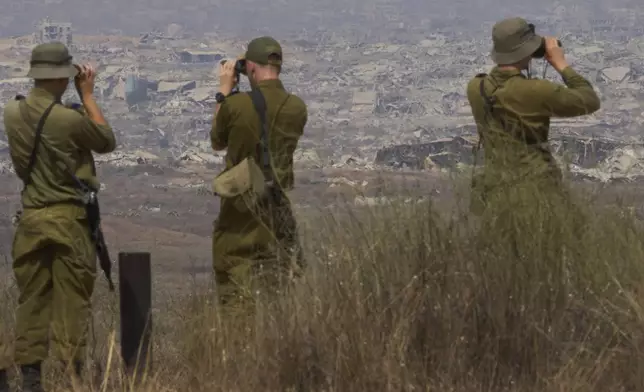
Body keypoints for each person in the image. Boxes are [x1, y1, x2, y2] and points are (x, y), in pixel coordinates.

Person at [0, 42, 115, 392]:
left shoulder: (11, 112)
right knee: (72, 302)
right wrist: (89, 95)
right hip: (68, 220)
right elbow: (106, 140)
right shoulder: (68, 119)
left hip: (31, 218)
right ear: (63, 77)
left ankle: (30, 379)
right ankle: (71, 377)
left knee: (31, 300)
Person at [210, 36, 307, 316]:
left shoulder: (237, 105)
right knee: (277, 286)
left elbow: (218, 139)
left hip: (240, 208)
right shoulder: (297, 108)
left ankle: (242, 350)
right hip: (277, 205)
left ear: (250, 68)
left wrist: (224, 92)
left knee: (236, 284)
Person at [466, 17, 600, 214]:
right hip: (536, 195)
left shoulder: (476, 87)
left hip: (495, 196)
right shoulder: (535, 91)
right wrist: (561, 64)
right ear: (526, 51)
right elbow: (589, 100)